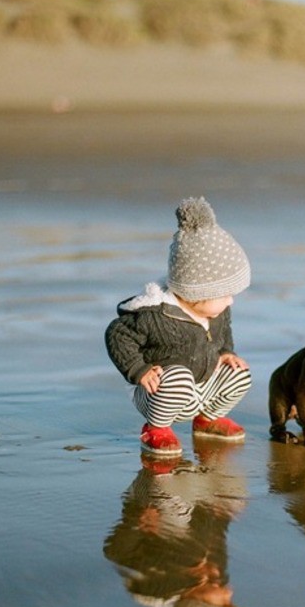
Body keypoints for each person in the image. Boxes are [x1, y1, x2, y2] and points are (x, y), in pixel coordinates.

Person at [105, 196, 252, 457]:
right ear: (195, 293)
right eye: (224, 294)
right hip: (158, 392)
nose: (230, 301)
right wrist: (139, 370)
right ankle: (156, 429)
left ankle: (208, 420)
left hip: (201, 387)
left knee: (239, 373)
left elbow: (222, 332)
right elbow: (117, 334)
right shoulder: (156, 315)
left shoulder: (217, 310)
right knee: (178, 376)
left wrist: (227, 351)